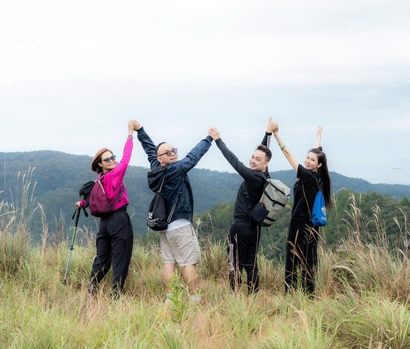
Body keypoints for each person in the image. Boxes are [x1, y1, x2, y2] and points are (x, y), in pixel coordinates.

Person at [134, 121, 213, 300]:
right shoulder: (175, 169)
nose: (173, 154)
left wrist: (140, 130)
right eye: (168, 153)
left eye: (174, 150)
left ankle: (170, 299)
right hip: (179, 224)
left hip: (165, 226)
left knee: (169, 262)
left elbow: (149, 149)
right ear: (161, 158)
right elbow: (193, 157)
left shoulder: (157, 168)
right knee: (188, 263)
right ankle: (195, 300)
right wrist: (209, 139)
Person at [207, 118, 276, 294]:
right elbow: (262, 152)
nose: (252, 160)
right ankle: (254, 296)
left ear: (265, 163)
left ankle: (235, 296)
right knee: (251, 265)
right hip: (254, 229)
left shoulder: (253, 178)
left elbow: (234, 161)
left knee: (233, 264)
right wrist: (267, 134)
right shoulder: (263, 176)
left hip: (239, 228)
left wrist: (218, 140)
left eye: (257, 159)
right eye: (252, 157)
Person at [76, 120, 137, 299]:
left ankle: (91, 292)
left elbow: (93, 197)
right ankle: (115, 297)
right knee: (120, 258)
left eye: (112, 157)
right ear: (100, 164)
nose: (112, 161)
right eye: (107, 159)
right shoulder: (114, 174)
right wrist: (130, 134)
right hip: (119, 220)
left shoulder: (99, 179)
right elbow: (127, 157)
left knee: (101, 259)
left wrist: (81, 204)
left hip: (104, 223)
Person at [272, 123, 332, 295]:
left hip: (299, 224)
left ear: (318, 165)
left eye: (312, 160)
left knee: (292, 257)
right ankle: (309, 294)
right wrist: (318, 136)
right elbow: (317, 152)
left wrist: (277, 136)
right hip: (312, 226)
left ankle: (290, 293)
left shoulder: (307, 176)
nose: (307, 160)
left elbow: (288, 155)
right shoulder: (317, 176)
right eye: (307, 157)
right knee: (308, 259)